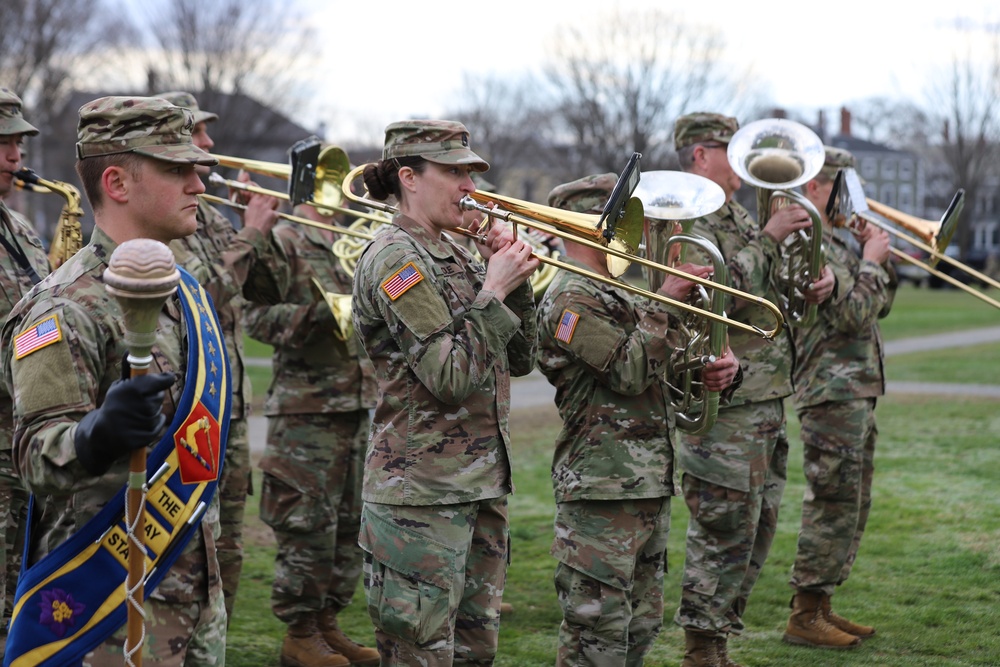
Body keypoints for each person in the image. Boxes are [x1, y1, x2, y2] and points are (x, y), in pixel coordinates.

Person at [0, 96, 229, 665]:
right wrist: (95, 435)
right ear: (118, 182)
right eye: (177, 170)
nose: (198, 184)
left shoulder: (181, 287)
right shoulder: (65, 307)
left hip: (189, 583)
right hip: (106, 604)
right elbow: (34, 453)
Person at [645, 112, 835, 667]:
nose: (739, 160)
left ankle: (719, 639)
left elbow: (768, 299)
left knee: (759, 528)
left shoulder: (740, 213)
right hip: (727, 403)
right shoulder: (687, 211)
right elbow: (709, 289)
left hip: (766, 393)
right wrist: (770, 241)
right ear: (699, 156)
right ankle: (701, 649)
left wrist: (814, 277)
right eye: (725, 148)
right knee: (723, 529)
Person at [352, 119, 538, 665]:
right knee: (421, 654)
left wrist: (514, 281)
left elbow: (520, 359)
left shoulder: (454, 254)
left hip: (475, 486)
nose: (470, 187)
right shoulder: (396, 259)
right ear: (409, 177)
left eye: (471, 172)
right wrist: (494, 287)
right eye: (455, 172)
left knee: (474, 654)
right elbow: (450, 377)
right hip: (420, 499)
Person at [536, 174, 741, 666]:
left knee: (638, 629)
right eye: (624, 218)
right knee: (596, 634)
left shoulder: (620, 294)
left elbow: (658, 375)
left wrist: (718, 370)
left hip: (645, 479)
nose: (638, 230)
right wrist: (666, 298)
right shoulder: (569, 298)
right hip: (601, 486)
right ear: (591, 224)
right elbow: (627, 372)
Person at [155, 90, 284, 623]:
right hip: (188, 409)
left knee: (227, 543)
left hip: (228, 407)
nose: (211, 145)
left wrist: (257, 231)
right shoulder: (165, 222)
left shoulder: (209, 215)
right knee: (184, 551)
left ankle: (215, 644)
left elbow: (269, 290)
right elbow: (197, 298)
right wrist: (250, 233)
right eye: (198, 134)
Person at [243, 201, 379, 667]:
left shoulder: (348, 244)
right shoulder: (286, 241)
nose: (337, 198)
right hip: (305, 412)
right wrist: (317, 315)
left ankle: (326, 624)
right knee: (307, 526)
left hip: (355, 405)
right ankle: (299, 632)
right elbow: (254, 317)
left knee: (347, 524)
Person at [783, 146, 896, 649]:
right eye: (839, 185)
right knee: (831, 501)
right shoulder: (804, 247)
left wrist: (872, 257)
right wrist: (871, 262)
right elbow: (851, 316)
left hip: (853, 390)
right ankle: (804, 615)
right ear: (813, 188)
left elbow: (877, 306)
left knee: (852, 501)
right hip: (829, 391)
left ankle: (821, 604)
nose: (851, 197)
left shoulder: (837, 245)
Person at [0, 87, 50, 655]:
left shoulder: (21, 228)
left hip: (24, 452)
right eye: (4, 141)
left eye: (19, 141)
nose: (17, 156)